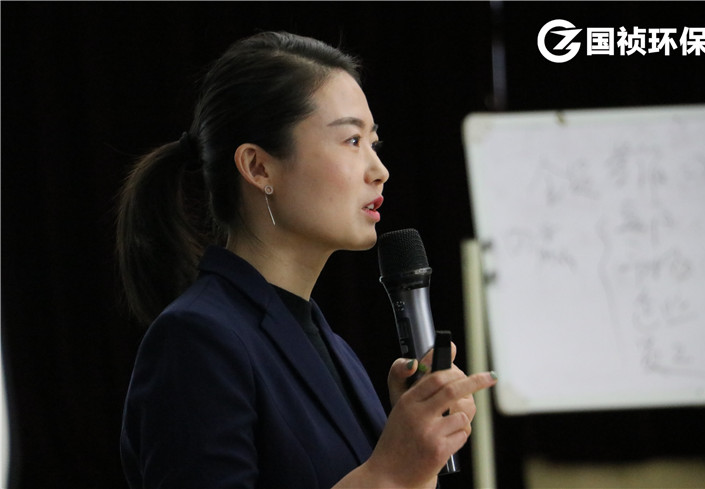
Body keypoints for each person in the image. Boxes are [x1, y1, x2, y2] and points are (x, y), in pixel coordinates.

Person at [116, 31, 496, 489]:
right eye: (351, 140)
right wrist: (390, 471)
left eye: (373, 143)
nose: (379, 170)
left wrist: (419, 460)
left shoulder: (331, 347)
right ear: (258, 167)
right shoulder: (197, 338)